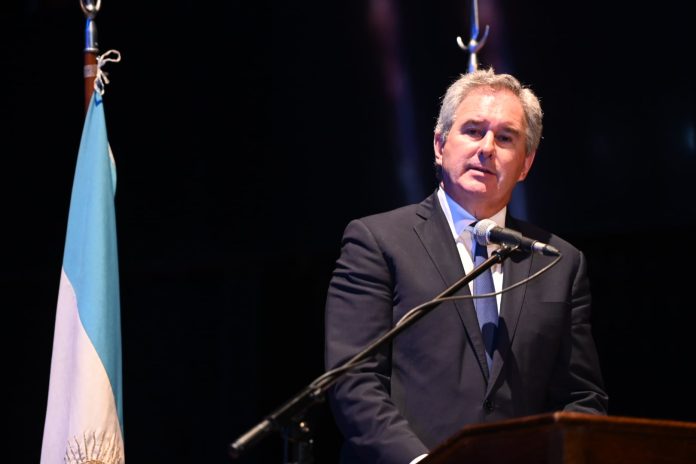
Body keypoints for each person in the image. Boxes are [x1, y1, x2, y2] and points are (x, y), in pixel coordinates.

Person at [323, 67, 609, 464]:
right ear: (440, 145)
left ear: (526, 164)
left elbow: (581, 398)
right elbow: (353, 380)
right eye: (473, 131)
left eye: (505, 138)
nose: (487, 148)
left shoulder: (558, 262)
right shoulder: (377, 242)